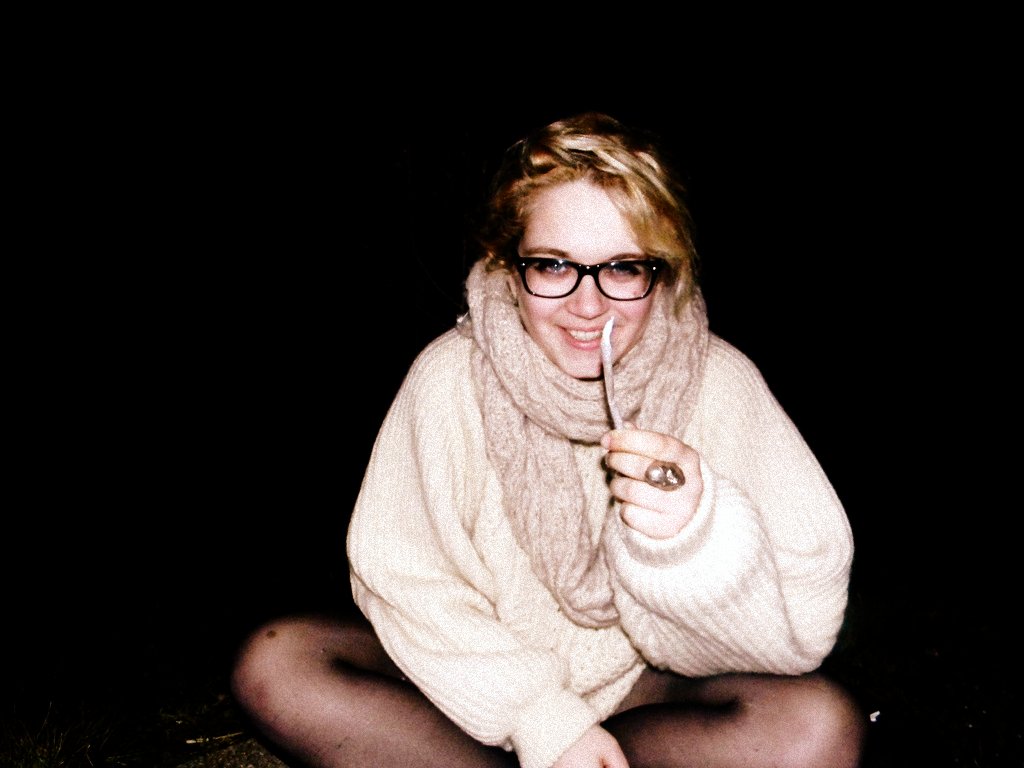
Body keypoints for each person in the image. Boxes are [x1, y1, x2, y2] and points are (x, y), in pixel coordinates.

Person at [230, 112, 866, 768]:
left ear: (664, 270)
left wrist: (695, 546)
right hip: (469, 694)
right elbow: (406, 580)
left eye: (622, 268)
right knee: (280, 658)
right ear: (509, 264)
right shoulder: (448, 377)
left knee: (817, 724)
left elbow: (804, 629)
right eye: (555, 264)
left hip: (639, 697)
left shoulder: (720, 384)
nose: (588, 305)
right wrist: (541, 719)